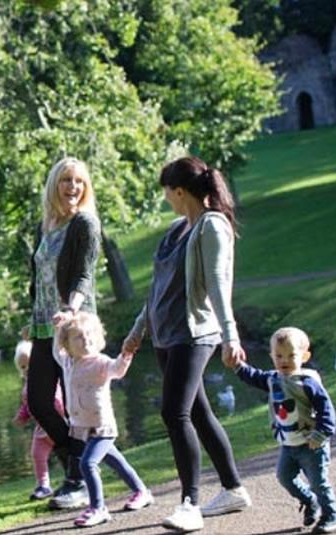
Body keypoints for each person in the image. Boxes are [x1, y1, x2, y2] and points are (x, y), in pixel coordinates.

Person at [122, 156, 250, 532]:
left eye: (167, 193)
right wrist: (136, 332)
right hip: (165, 334)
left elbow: (217, 283)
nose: (167, 200)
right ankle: (233, 489)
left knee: (173, 413)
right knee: (197, 414)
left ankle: (189, 503)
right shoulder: (176, 229)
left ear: (179, 191)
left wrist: (231, 335)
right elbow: (156, 289)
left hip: (194, 334)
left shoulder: (211, 227)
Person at [26, 156, 102, 509]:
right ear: (54, 185)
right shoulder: (45, 225)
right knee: (40, 402)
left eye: (79, 182)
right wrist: (32, 315)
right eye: (66, 181)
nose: (73, 188)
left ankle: (76, 479)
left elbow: (84, 275)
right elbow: (37, 276)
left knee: (76, 405)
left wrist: (71, 308)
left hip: (72, 328)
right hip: (43, 326)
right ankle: (78, 459)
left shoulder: (85, 223)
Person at [225, 327, 336, 533]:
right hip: (288, 444)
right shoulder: (272, 379)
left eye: (291, 355)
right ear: (271, 356)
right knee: (285, 478)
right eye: (278, 356)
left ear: (305, 356)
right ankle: (309, 501)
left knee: (318, 482)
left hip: (311, 443)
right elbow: (253, 376)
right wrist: (237, 366)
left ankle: (331, 516)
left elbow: (326, 410)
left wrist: (321, 433)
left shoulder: (307, 382)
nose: (284, 360)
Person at [55, 312, 154, 527]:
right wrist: (59, 328)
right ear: (67, 344)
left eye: (90, 335)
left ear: (98, 338)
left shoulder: (100, 362)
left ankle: (98, 508)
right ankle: (142, 491)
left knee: (88, 464)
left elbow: (117, 370)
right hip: (83, 428)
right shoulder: (69, 362)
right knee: (117, 462)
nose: (86, 340)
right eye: (78, 337)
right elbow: (56, 351)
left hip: (102, 427)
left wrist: (127, 353)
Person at [13, 340, 64, 500]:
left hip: (58, 424)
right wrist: (22, 416)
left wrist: (60, 410)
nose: (27, 369)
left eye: (30, 365)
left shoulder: (48, 380)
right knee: (37, 455)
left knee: (67, 453)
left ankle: (75, 479)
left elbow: (58, 399)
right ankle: (43, 485)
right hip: (42, 428)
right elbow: (28, 404)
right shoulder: (28, 385)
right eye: (23, 367)